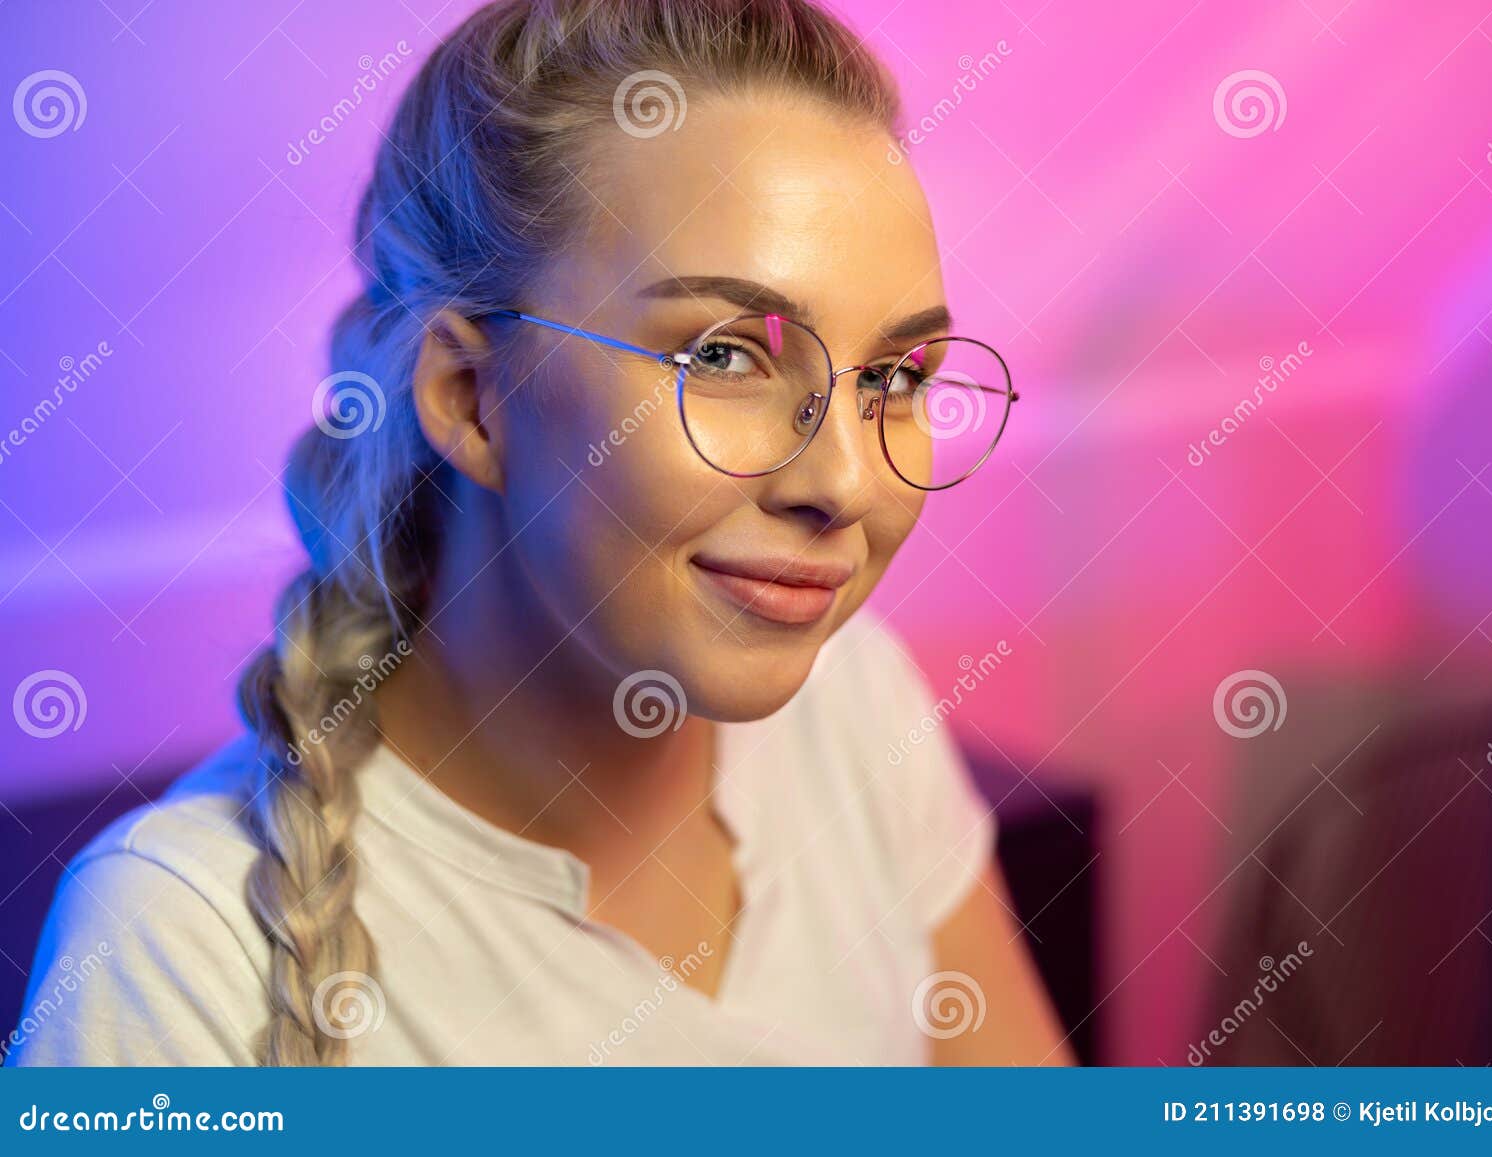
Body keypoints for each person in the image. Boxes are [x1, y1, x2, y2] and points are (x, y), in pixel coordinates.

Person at [6, 0, 1066, 1067]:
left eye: (894, 376)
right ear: (470, 395)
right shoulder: (176, 954)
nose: (844, 481)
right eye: (723, 355)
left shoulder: (851, 705)